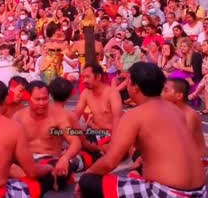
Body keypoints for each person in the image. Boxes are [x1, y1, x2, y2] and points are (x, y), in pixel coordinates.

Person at [78, 62, 207, 198]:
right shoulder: (176, 111)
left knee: (88, 181)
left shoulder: (128, 109)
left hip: (167, 192)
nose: (84, 80)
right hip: (200, 191)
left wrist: (87, 174)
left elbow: (110, 162)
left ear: (135, 88)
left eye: (128, 80)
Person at [11, 79, 82, 194]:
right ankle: (32, 176)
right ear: (28, 98)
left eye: (45, 99)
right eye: (37, 99)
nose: (42, 103)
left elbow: (76, 142)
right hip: (27, 161)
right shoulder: (18, 116)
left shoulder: (58, 116)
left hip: (50, 162)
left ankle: (28, 177)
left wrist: (65, 158)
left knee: (61, 171)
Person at [74, 63, 123, 152]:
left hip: (113, 134)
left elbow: (117, 119)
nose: (84, 81)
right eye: (83, 77)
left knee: (110, 150)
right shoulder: (85, 93)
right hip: (96, 133)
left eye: (88, 77)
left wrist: (114, 142)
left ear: (98, 77)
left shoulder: (112, 93)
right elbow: (75, 116)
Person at [162, 78, 207, 159]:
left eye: (165, 91)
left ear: (179, 96)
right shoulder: (169, 110)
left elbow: (182, 144)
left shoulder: (189, 115)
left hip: (196, 161)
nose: (161, 94)